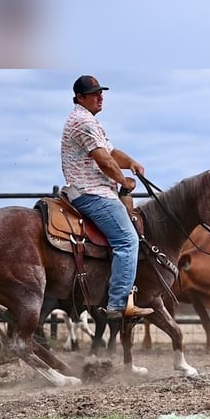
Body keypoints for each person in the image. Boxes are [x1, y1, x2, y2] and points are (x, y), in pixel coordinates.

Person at [60, 75, 154, 320]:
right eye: (94, 94)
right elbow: (103, 160)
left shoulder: (89, 121)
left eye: (101, 93)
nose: (100, 97)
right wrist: (124, 181)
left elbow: (111, 152)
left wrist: (131, 162)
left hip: (93, 190)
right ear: (80, 98)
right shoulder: (84, 122)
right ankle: (118, 303)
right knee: (127, 240)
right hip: (92, 193)